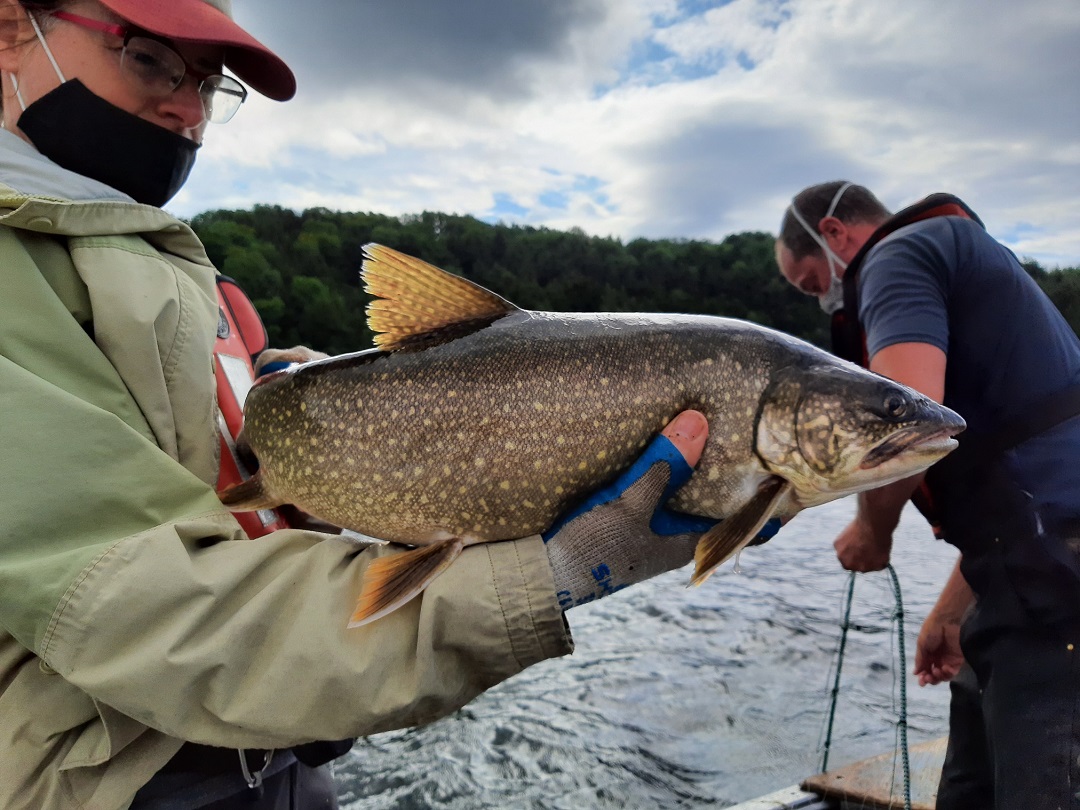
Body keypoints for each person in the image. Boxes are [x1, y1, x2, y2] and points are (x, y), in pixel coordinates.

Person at [0, 1, 739, 807]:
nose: (188, 109)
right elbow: (142, 613)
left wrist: (329, 439)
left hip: (281, 762)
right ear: (10, 26)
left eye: (210, 86)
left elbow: (195, 480)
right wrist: (548, 571)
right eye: (150, 60)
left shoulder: (164, 266)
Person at [775, 180, 1080, 809]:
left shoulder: (896, 256)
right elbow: (1020, 478)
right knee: (969, 789)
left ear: (834, 234)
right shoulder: (964, 256)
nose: (823, 297)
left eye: (811, 282)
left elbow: (901, 421)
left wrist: (873, 531)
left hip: (1057, 595)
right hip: (1026, 572)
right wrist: (949, 613)